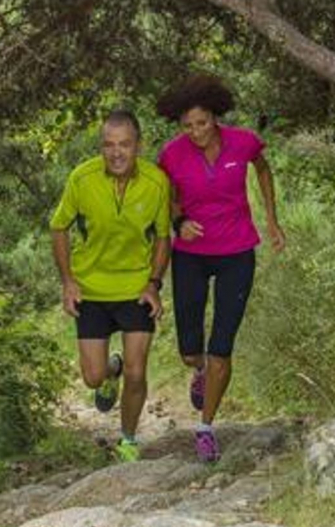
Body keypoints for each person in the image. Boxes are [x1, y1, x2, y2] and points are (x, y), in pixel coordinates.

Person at [155, 74, 285, 463]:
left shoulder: (243, 142)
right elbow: (168, 199)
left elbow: (262, 170)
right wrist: (179, 223)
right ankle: (197, 371)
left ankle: (206, 427)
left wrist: (272, 220)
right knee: (190, 351)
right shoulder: (171, 155)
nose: (196, 132)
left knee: (221, 347)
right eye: (188, 126)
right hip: (192, 255)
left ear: (216, 117)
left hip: (237, 251)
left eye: (203, 123)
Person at [50, 109, 172, 463]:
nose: (117, 153)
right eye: (109, 145)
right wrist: (68, 281)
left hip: (135, 289)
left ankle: (129, 440)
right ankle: (109, 371)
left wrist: (153, 284)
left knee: (138, 371)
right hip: (91, 291)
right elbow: (59, 227)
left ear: (138, 145)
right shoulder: (81, 178)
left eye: (125, 145)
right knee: (91, 378)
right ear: (101, 148)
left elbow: (164, 237)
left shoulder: (156, 182)